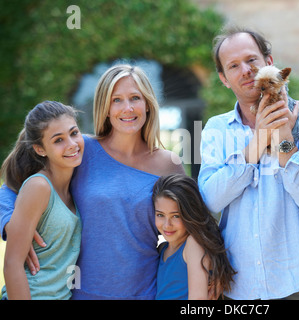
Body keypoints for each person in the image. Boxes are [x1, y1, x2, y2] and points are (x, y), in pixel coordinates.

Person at [0, 64, 185, 299]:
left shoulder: (169, 164)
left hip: (144, 293)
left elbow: (193, 227)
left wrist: (207, 274)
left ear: (147, 103)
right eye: (116, 100)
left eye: (135, 98)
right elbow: (12, 187)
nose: (127, 108)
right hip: (79, 295)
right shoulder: (80, 149)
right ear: (105, 108)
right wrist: (11, 225)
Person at [198, 25, 299, 299]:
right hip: (238, 285)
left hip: (294, 281)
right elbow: (210, 200)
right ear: (223, 78)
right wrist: (257, 142)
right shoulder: (216, 128)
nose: (246, 70)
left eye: (251, 60)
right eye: (233, 66)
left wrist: (283, 138)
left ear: (269, 62)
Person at [1, 101, 83, 300]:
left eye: (73, 133)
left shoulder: (76, 181)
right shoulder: (39, 187)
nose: (71, 144)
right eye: (58, 140)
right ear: (40, 149)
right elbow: (12, 265)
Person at [152, 174, 236, 300]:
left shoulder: (192, 245)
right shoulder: (163, 249)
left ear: (190, 214)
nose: (167, 225)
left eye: (176, 216)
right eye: (160, 215)